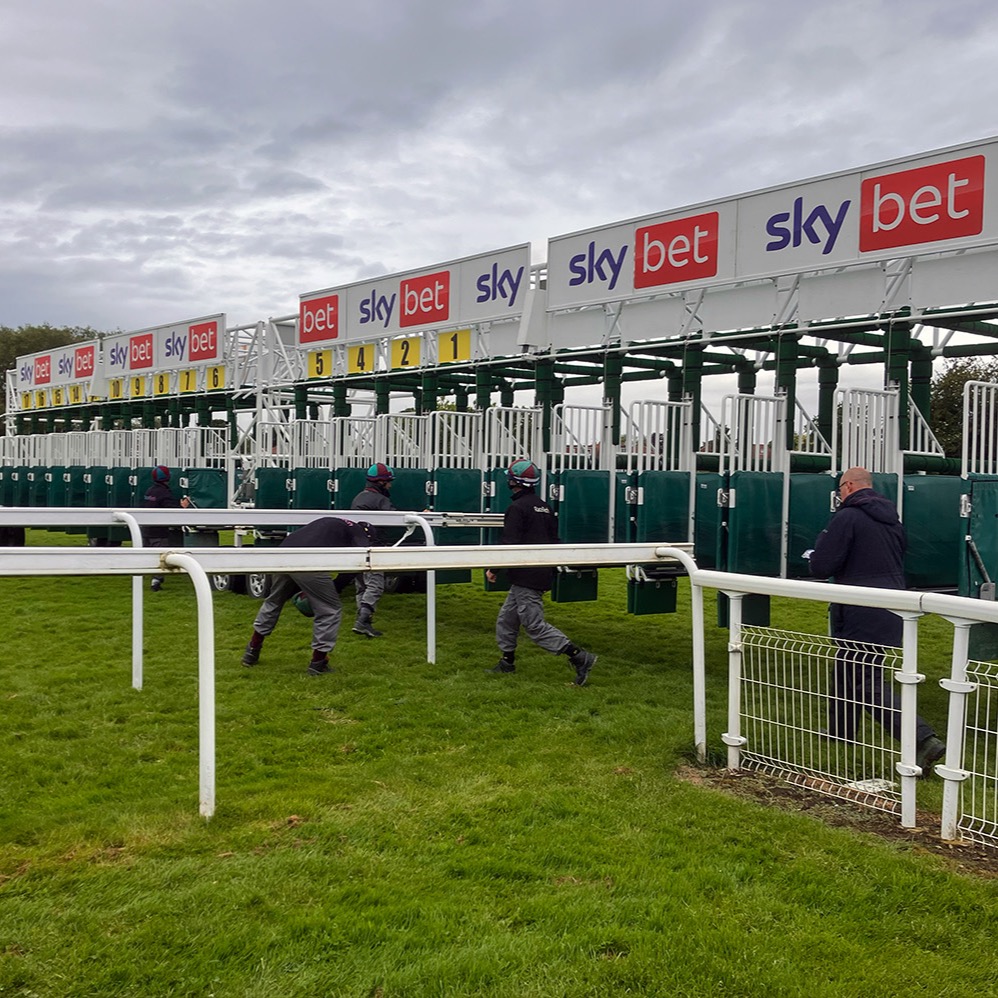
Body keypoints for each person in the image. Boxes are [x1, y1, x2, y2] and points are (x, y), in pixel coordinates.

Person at [809, 466, 946, 775]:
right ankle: (840, 733)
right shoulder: (892, 519)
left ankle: (922, 739)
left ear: (848, 487)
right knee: (848, 670)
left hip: (860, 607)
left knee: (863, 681)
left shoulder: (846, 518)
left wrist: (820, 541)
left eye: (840, 489)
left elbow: (822, 565)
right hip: (889, 607)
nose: (840, 495)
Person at [485, 459, 597, 686]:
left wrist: (493, 568)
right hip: (539, 572)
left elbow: (510, 544)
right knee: (506, 620)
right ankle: (507, 663)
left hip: (527, 576)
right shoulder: (545, 506)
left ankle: (579, 657)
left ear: (512, 481)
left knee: (534, 625)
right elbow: (554, 541)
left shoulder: (516, 508)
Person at [241, 516, 376, 675]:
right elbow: (357, 564)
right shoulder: (359, 533)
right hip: (308, 560)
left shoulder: (336, 523)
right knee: (329, 610)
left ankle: (251, 651)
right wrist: (334, 588)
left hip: (282, 554)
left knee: (273, 601)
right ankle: (318, 663)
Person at [347, 462, 397, 638]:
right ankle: (362, 621)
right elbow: (394, 518)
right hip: (373, 546)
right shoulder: (381, 500)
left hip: (355, 545)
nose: (390, 485)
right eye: (388, 481)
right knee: (375, 585)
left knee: (361, 585)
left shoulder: (359, 497)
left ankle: (364, 624)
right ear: (381, 482)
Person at [141, 465, 191, 591]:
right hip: (158, 531)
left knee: (148, 556)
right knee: (161, 556)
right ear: (167, 477)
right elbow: (171, 511)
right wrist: (183, 507)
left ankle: (145, 577)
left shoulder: (149, 491)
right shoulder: (164, 492)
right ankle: (155, 582)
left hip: (146, 529)